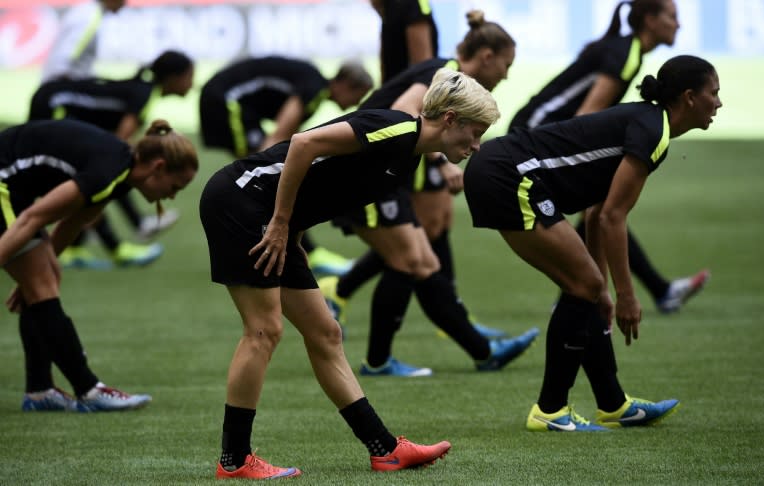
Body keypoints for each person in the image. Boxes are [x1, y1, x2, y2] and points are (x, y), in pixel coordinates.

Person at [198, 68, 496, 479]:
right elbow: (303, 144)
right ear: (449, 120)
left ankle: (385, 449)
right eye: (475, 132)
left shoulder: (406, 158)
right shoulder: (394, 130)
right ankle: (234, 460)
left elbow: (321, 187)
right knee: (263, 330)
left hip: (268, 213)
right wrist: (282, 221)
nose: (476, 145)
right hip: (242, 200)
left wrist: (293, 231)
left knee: (326, 333)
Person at [464, 54, 721, 430]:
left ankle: (613, 405)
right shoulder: (653, 131)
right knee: (585, 286)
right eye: (714, 93)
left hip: (502, 171)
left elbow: (597, 213)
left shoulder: (648, 122)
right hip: (509, 175)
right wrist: (626, 295)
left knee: (587, 289)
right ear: (689, 97)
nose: (719, 102)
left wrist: (603, 287)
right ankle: (550, 411)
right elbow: (613, 217)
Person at [320, 10, 536, 378]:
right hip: (360, 171)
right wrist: (441, 163)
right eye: (506, 65)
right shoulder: (443, 74)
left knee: (424, 264)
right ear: (487, 57)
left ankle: (483, 353)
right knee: (410, 261)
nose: (506, 75)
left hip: (383, 175)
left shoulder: (449, 76)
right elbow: (402, 112)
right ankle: (379, 356)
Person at [508, 0, 709, 313]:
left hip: (538, 132)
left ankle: (591, 293)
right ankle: (590, 294)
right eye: (672, 17)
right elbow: (586, 115)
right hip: (537, 135)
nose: (678, 24)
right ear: (650, 20)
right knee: (605, 212)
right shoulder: (626, 54)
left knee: (603, 211)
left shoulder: (627, 51)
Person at [0, 118, 199, 412]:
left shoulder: (120, 175)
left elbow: (75, 221)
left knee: (45, 278)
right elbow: (33, 218)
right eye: (174, 186)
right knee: (41, 282)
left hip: (15, 189)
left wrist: (32, 276)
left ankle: (40, 390)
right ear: (158, 167)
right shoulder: (107, 171)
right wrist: (31, 276)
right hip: (4, 184)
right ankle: (89, 389)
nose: (171, 196)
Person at [199, 56, 374, 277]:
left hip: (222, 98)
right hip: (224, 101)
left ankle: (284, 244)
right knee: (266, 179)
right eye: (360, 94)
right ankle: (303, 250)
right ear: (345, 84)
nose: (357, 103)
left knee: (265, 180)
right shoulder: (315, 89)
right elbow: (279, 136)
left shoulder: (314, 85)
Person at [30, 50, 195, 268]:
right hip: (53, 103)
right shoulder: (144, 94)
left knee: (104, 175)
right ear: (174, 77)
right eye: (189, 77)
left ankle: (78, 247)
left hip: (51, 98)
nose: (191, 85)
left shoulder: (142, 89)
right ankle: (118, 245)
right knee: (105, 175)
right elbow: (120, 146)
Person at [41, 0, 126, 83]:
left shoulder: (88, 11)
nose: (124, 3)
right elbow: (67, 52)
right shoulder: (90, 16)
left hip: (67, 84)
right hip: (64, 87)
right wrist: (59, 81)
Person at [370, 0, 439, 84]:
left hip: (406, 90)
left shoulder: (412, 5)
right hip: (394, 87)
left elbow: (423, 70)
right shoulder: (390, 6)